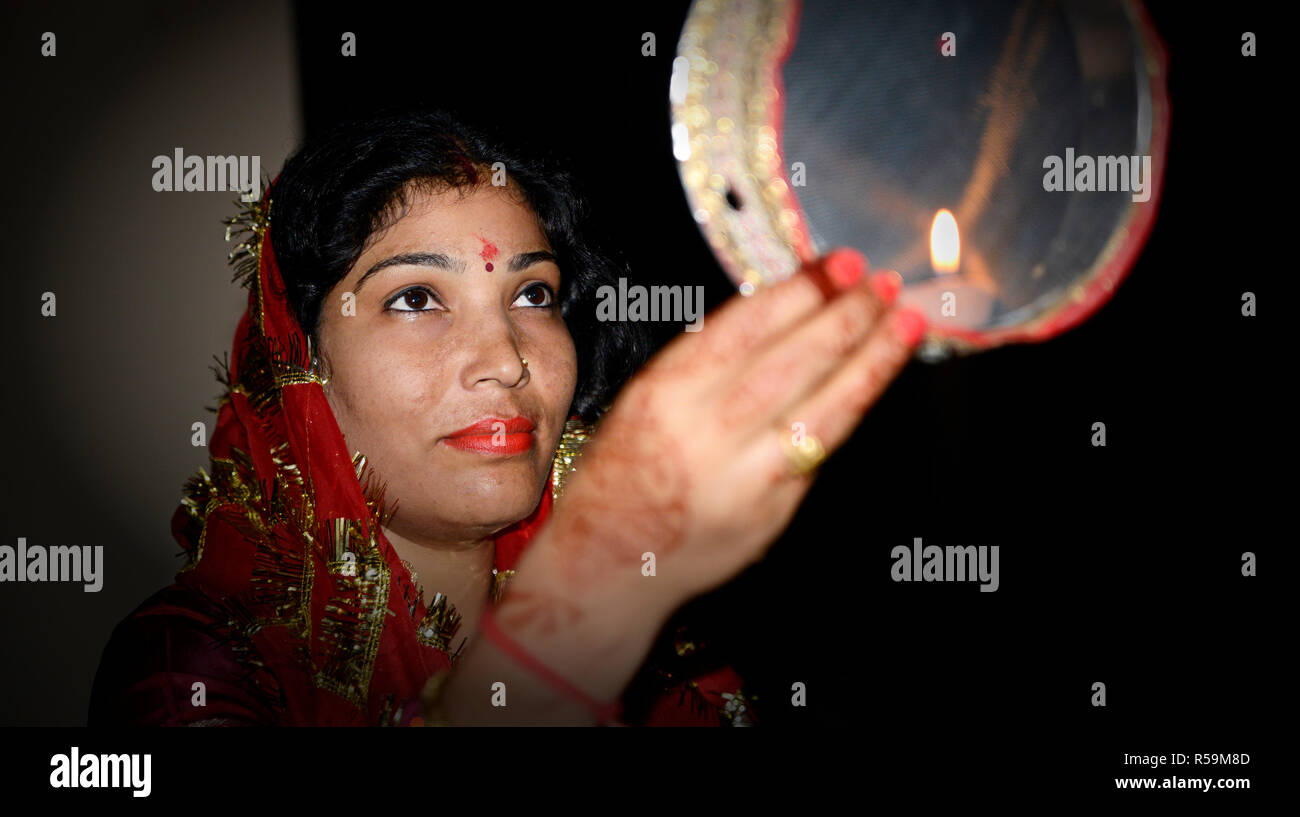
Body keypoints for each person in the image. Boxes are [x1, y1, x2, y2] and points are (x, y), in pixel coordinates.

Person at [88, 106, 926, 726]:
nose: (505, 357)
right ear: (299, 361)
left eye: (533, 294)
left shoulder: (665, 641)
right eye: (416, 298)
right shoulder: (191, 663)